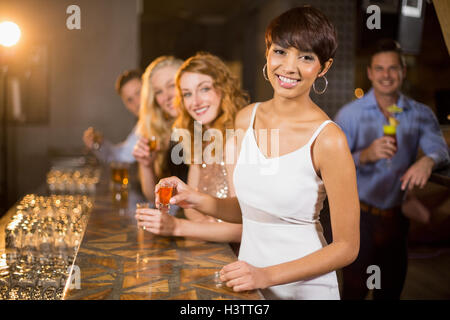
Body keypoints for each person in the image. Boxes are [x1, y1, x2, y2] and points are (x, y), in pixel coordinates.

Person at [154, 6, 360, 300]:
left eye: (306, 57)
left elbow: (347, 247)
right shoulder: (245, 119)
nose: (289, 67)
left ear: (323, 67)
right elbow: (248, 210)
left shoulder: (328, 139)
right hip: (248, 280)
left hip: (304, 289)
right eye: (280, 51)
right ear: (267, 53)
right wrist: (193, 197)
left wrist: (266, 274)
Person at [335, 38, 449, 300]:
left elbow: (441, 151)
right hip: (359, 218)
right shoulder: (350, 115)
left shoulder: (419, 114)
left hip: (397, 218)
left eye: (393, 68)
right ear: (370, 73)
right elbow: (330, 166)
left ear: (403, 71)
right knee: (354, 290)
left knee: (390, 291)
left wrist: (427, 160)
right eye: (379, 69)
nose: (386, 75)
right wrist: (364, 154)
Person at [135, 52, 248, 247]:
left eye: (204, 89)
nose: (195, 102)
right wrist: (204, 225)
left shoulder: (235, 140)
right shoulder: (199, 139)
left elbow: (246, 228)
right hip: (209, 249)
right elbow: (190, 207)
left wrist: (177, 227)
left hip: (238, 260)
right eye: (187, 94)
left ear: (223, 89)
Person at [131, 56, 188, 205]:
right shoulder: (164, 131)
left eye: (172, 85)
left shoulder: (205, 127)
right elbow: (154, 197)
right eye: (158, 91)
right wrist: (146, 165)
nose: (167, 96)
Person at [83, 69, 142, 163]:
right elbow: (122, 155)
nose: (137, 103)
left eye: (139, 93)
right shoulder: (142, 127)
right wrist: (99, 144)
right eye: (130, 100)